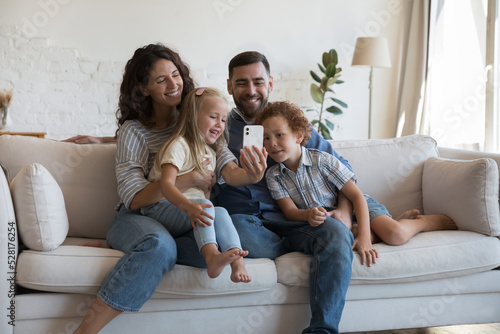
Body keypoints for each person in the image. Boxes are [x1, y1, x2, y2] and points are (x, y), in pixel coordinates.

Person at [73, 45, 265, 334]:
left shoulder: (201, 120)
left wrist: (250, 175)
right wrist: (187, 180)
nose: (174, 84)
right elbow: (134, 198)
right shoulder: (134, 132)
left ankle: (137, 249)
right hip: (140, 216)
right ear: (143, 88)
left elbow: (226, 166)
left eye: (175, 75)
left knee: (215, 244)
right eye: (161, 80)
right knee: (159, 246)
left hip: (184, 220)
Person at [212, 51, 356, 334]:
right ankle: (302, 247)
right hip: (247, 222)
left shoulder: (288, 125)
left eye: (258, 81)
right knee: (235, 229)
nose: (251, 90)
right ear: (229, 86)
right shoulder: (218, 126)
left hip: (297, 219)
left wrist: (345, 211)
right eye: (242, 83)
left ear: (270, 83)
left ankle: (322, 331)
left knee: (337, 233)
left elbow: (343, 169)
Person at [257, 101, 457, 266]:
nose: (272, 143)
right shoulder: (273, 176)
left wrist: (366, 239)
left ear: (298, 136)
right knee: (339, 240)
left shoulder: (323, 160)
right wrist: (307, 214)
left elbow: (356, 196)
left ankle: (423, 222)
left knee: (394, 235)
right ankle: (391, 221)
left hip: (359, 207)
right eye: (266, 138)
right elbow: (290, 212)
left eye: (279, 135)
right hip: (333, 224)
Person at [145, 87, 267, 283]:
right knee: (207, 207)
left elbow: (206, 194)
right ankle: (211, 256)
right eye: (213, 117)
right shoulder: (179, 145)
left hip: (187, 210)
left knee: (221, 212)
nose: (219, 124)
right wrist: (190, 207)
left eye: (224, 120)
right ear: (193, 116)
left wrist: (199, 207)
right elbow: (166, 185)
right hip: (159, 208)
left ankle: (238, 262)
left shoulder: (210, 152)